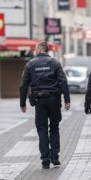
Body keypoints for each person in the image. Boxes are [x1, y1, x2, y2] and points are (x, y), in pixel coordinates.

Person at [20, 41, 70, 169]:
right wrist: (67, 100)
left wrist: (22, 103)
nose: (34, 50)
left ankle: (45, 160)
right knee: (54, 127)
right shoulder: (54, 63)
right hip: (54, 99)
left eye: (35, 48)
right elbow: (63, 81)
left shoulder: (31, 64)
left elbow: (24, 85)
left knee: (42, 129)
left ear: (39, 49)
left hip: (39, 101)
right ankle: (55, 157)